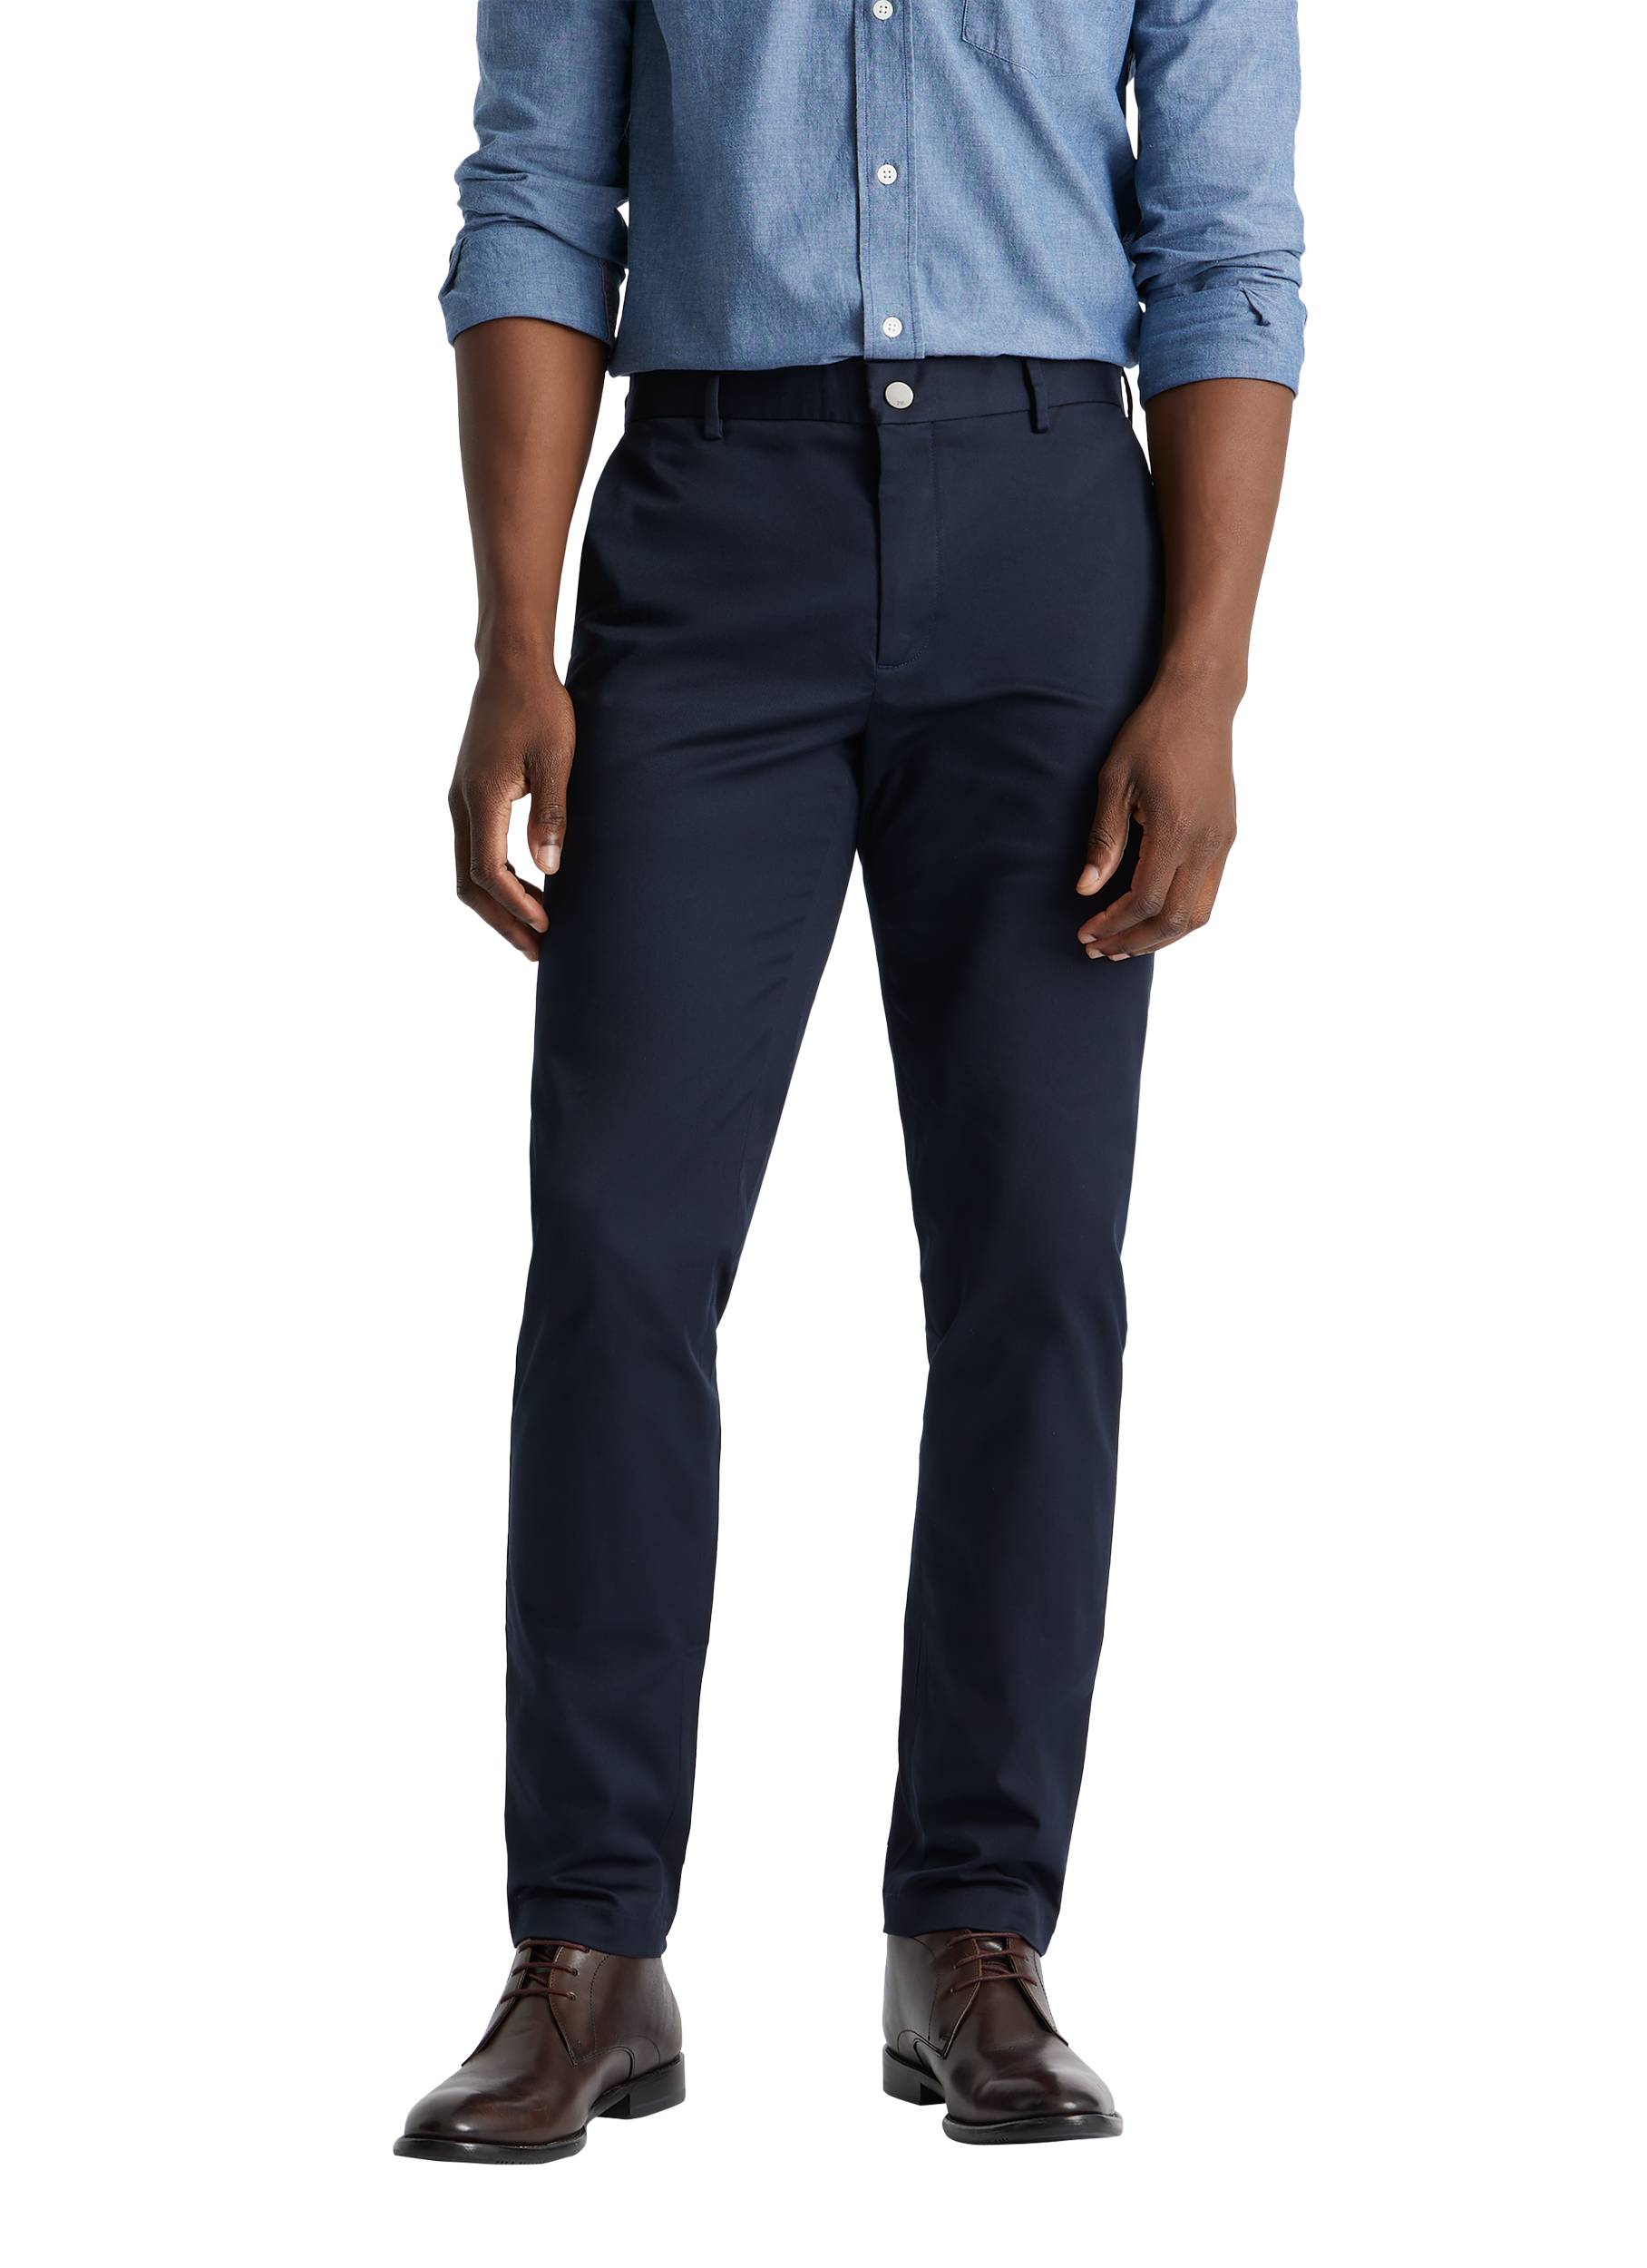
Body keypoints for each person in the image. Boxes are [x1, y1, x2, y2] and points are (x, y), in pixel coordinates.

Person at [395, 0, 1302, 2163]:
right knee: (617, 1245)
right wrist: (513, 640)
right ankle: (586, 1944)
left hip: (1051, 543)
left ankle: (975, 1932)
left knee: (1033, 1266)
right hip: (711, 528)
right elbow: (538, 199)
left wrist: (1200, 678)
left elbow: (1224, 248)